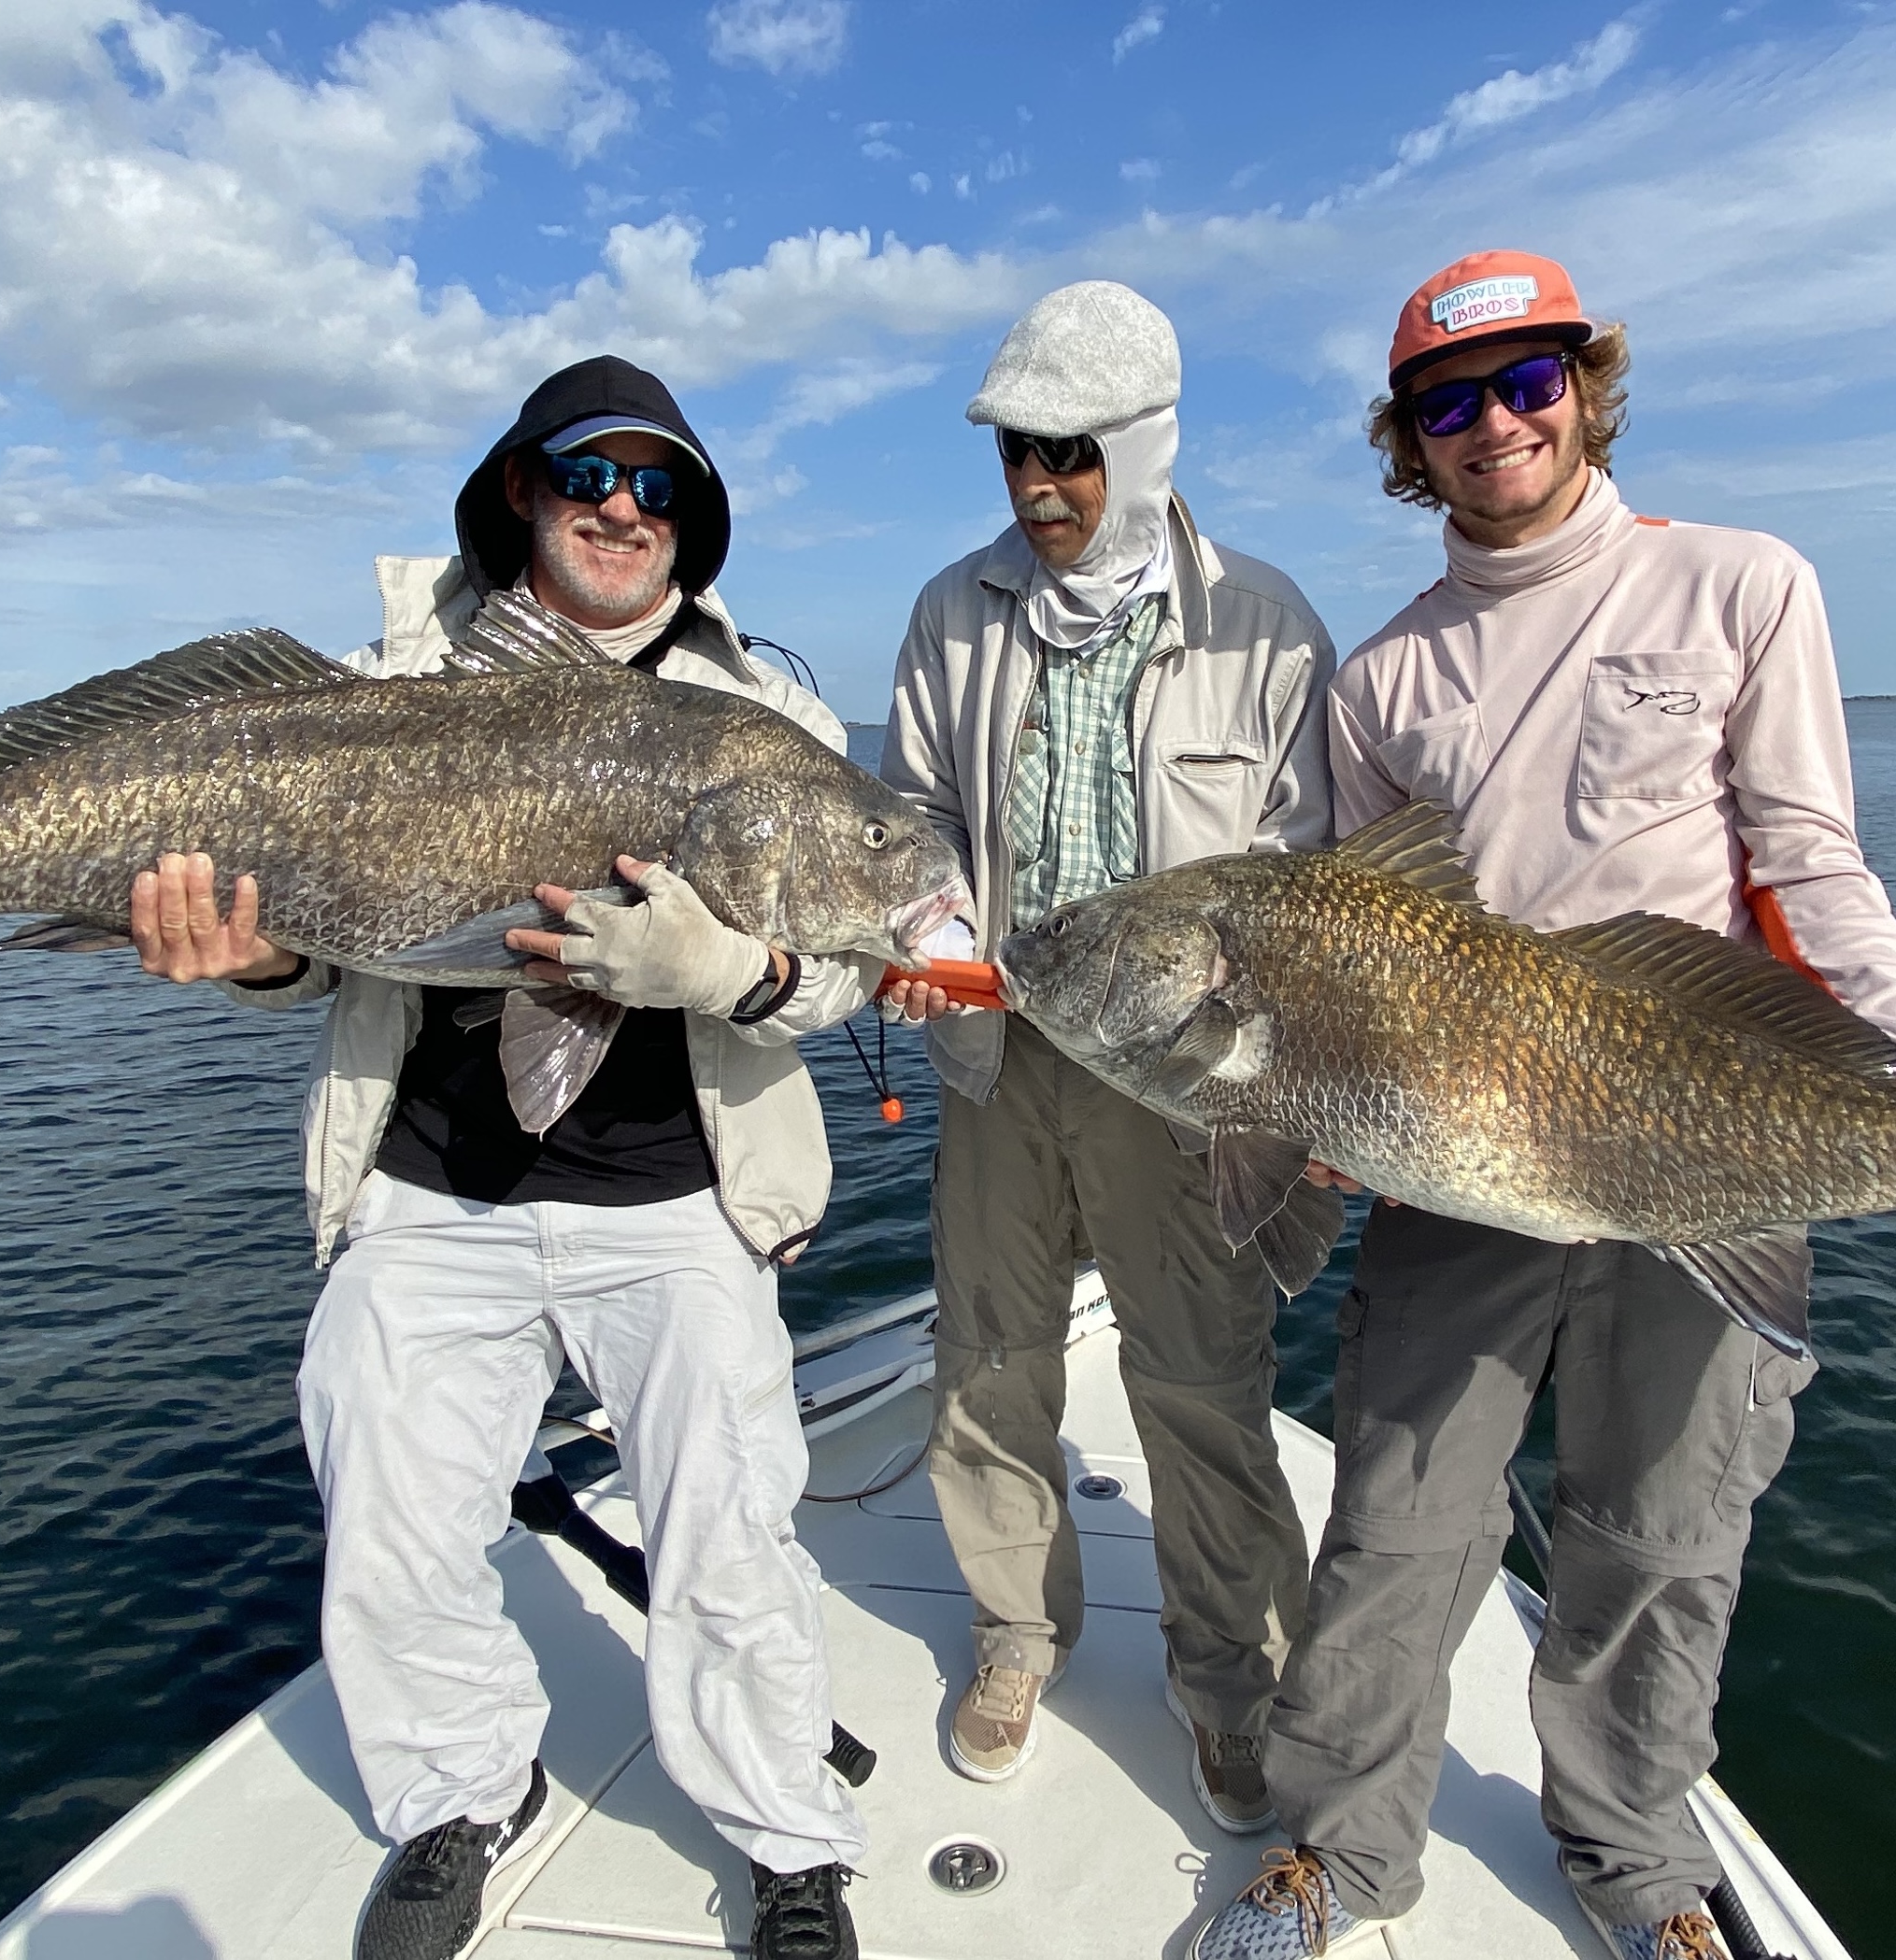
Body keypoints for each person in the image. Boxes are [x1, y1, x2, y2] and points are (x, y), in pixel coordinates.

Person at [1195, 253, 1896, 1960]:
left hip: (1702, 1125)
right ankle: (1341, 1847)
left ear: (1588, 389)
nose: (1493, 424)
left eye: (1527, 383)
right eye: (1448, 402)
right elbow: (1344, 941)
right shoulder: (1377, 682)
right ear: (1407, 441)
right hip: (1459, 1147)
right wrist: (1297, 1089)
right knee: (1396, 1513)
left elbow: (1811, 858)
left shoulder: (1742, 584)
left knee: (1664, 1532)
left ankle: (1638, 1859)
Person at [129, 356, 872, 1960]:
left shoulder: (772, 726)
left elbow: (867, 959)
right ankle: (464, 1793)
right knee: (385, 1506)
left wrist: (740, 973)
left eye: (659, 485)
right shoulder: (382, 688)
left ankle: (790, 1837)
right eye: (589, 474)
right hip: (428, 1187)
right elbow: (318, 954)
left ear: (694, 526)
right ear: (523, 491)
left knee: (733, 1529)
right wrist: (253, 958)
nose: (623, 506)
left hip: (677, 1199)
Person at [879, 281, 1337, 1836]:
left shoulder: (1269, 628)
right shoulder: (950, 612)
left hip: (1185, 1081)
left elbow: (1302, 883)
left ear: (1144, 445)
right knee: (989, 1361)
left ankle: (1228, 1675)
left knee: (1203, 1382)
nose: (1037, 486)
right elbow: (920, 819)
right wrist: (933, 932)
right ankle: (1017, 1630)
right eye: (1014, 452)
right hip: (995, 1052)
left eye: (1069, 451)